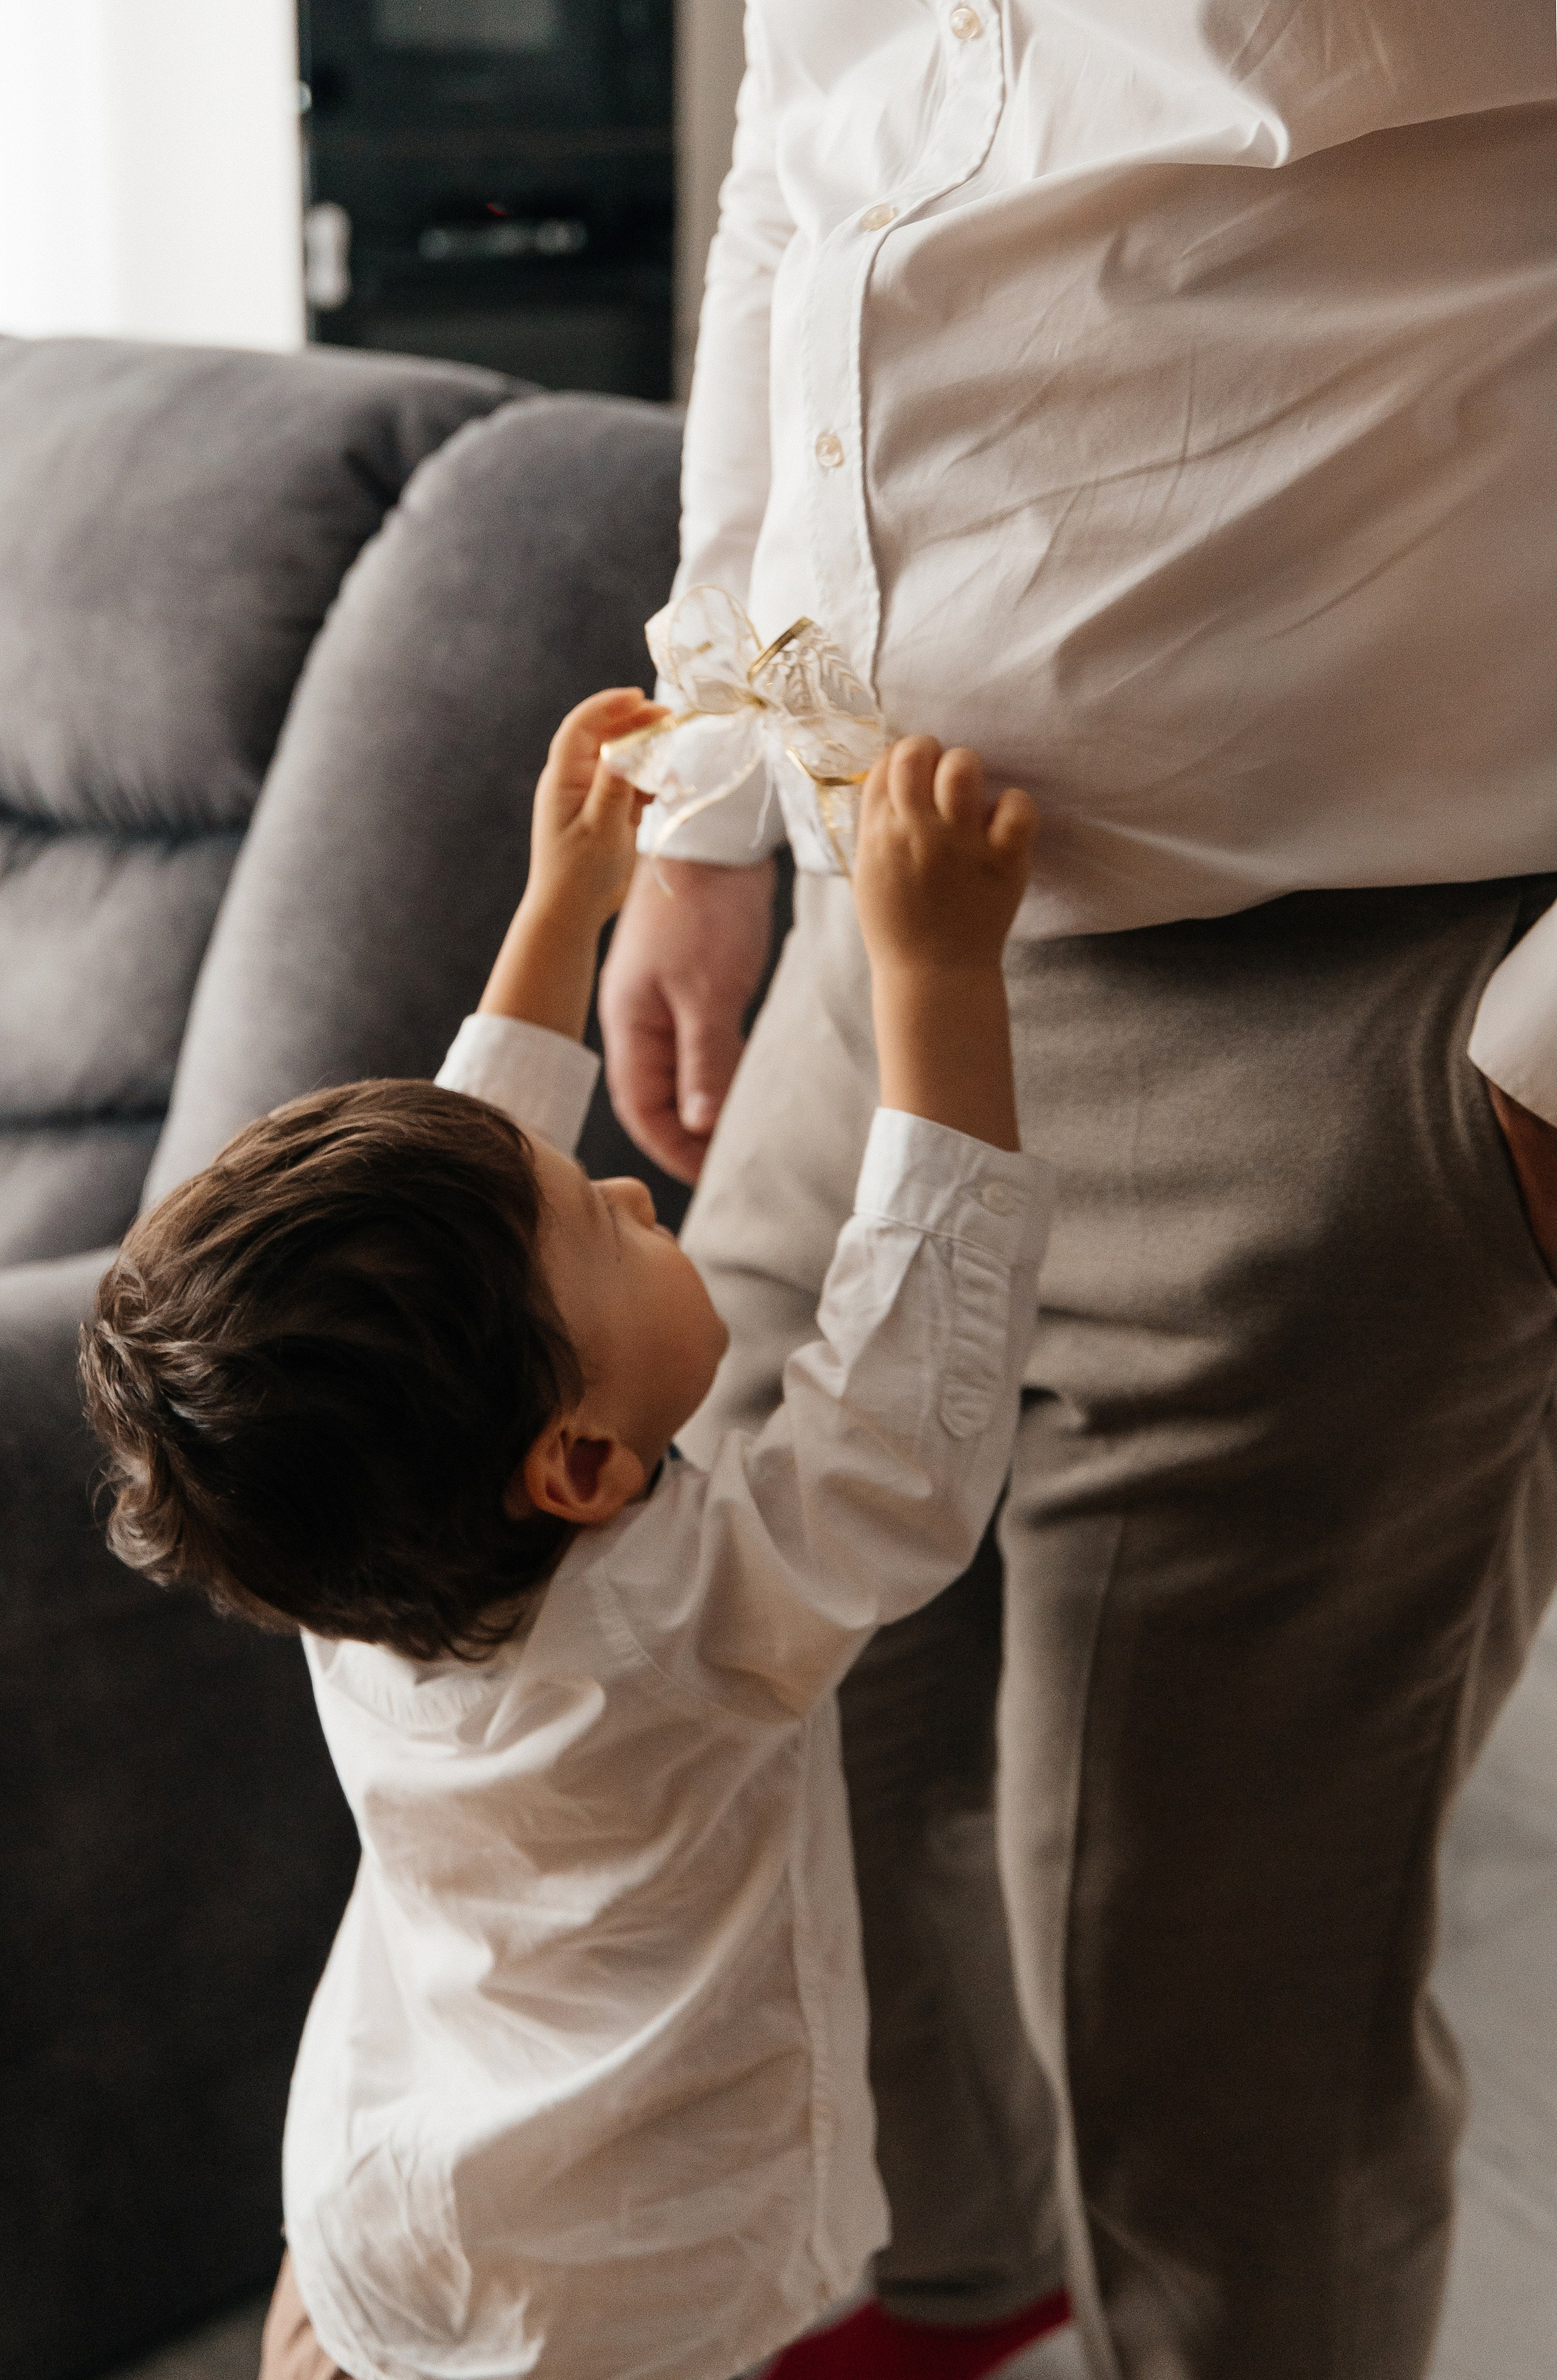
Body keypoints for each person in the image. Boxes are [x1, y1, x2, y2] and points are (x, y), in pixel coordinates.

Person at [596, 7, 1557, 2378]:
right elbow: (798, 179)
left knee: (1201, 2031)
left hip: (1335, 1027)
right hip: (870, 931)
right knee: (753, 1694)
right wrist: (714, 808)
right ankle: (959, 2283)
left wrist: (1533, 1082)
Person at [80, 690, 1059, 2380]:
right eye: (602, 1232)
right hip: (602, 2306)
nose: (621, 1188)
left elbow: (460, 1222)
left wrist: (565, 905)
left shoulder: (343, 1528)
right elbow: (906, 1426)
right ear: (585, 1467)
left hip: (383, 2216)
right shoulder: (689, 1630)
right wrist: (937, 977)